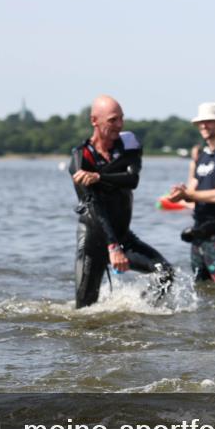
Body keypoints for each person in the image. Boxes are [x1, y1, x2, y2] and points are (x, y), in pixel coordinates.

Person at [70, 95, 174, 308]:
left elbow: (132, 180)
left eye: (121, 119)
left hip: (122, 235)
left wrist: (99, 177)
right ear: (94, 121)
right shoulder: (81, 158)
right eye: (112, 120)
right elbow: (94, 205)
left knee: (165, 273)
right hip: (93, 238)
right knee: (84, 309)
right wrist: (112, 246)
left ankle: (143, 310)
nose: (119, 125)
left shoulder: (129, 144)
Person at [167, 102, 215, 282]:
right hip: (198, 231)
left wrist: (188, 195)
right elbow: (191, 190)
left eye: (209, 121)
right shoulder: (202, 156)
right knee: (199, 287)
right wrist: (179, 194)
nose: (203, 125)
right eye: (201, 122)